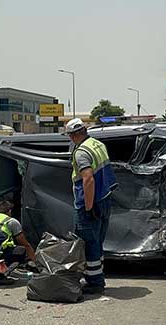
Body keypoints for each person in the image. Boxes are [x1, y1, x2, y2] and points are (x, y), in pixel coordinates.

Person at [65, 118, 118, 295]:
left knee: (89, 243)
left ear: (73, 135)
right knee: (98, 240)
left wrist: (88, 207)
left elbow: (88, 179)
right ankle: (97, 275)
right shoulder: (97, 144)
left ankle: (95, 282)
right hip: (105, 199)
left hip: (90, 203)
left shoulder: (81, 152)